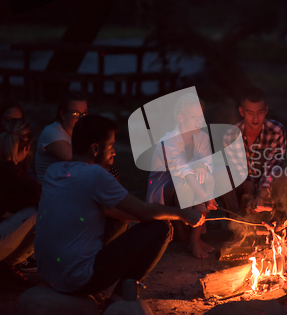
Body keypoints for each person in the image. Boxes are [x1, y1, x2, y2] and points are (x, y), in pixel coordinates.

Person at [34, 114, 203, 300]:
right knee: (160, 229)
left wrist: (150, 216)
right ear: (95, 149)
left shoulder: (54, 171)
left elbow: (116, 211)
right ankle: (120, 299)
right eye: (111, 147)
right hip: (76, 278)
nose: (114, 153)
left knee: (123, 218)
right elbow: (145, 211)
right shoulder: (94, 175)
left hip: (48, 272)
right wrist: (183, 214)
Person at [147, 94, 217, 259]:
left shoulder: (202, 137)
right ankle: (187, 237)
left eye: (201, 116)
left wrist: (202, 166)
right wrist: (206, 196)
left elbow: (208, 163)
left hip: (189, 182)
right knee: (186, 182)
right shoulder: (168, 141)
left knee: (205, 176)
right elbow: (182, 170)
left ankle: (195, 238)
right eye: (193, 116)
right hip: (166, 187)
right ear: (180, 117)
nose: (198, 120)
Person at [219, 88, 287, 215]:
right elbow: (240, 171)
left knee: (285, 175)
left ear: (266, 110)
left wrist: (262, 192)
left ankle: (278, 217)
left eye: (259, 112)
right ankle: (237, 220)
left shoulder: (276, 131)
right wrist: (249, 196)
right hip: (242, 185)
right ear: (242, 111)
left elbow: (274, 164)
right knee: (222, 175)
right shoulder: (231, 136)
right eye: (250, 113)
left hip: (268, 182)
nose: (255, 118)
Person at [0, 119, 40, 287]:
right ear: (27, 147)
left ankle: (5, 270)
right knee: (40, 213)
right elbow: (43, 196)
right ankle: (7, 266)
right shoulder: (14, 174)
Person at [35, 92, 89, 182]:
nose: (81, 119)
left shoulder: (80, 133)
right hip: (50, 191)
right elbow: (78, 163)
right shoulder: (52, 132)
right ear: (63, 114)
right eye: (75, 114)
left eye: (84, 114)